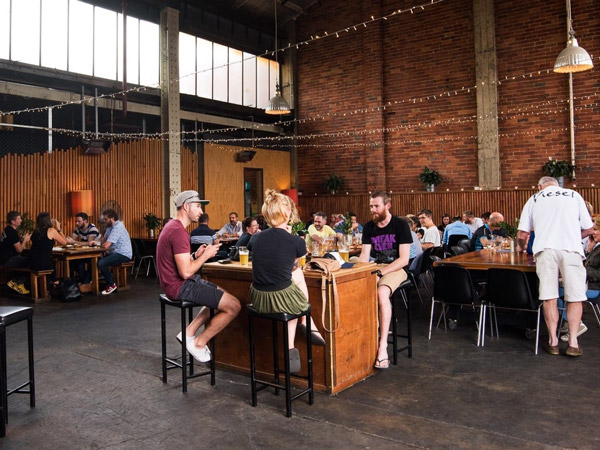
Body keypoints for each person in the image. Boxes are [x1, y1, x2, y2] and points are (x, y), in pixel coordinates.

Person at [157, 190, 240, 363]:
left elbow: (181, 263)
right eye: (197, 206)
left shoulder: (172, 226)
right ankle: (199, 343)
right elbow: (186, 272)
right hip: (180, 287)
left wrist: (195, 255)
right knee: (234, 306)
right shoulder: (179, 232)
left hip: (177, 284)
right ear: (186, 206)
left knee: (219, 295)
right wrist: (206, 255)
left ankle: (188, 333)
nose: (201, 212)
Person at [248, 190, 325, 373]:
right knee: (296, 286)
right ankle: (301, 329)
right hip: (281, 299)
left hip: (257, 299)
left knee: (293, 279)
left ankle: (301, 332)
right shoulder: (295, 242)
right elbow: (294, 262)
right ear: (287, 213)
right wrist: (288, 235)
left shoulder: (255, 238)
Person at [517, 176, 593, 357]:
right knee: (575, 296)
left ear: (539, 186)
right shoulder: (574, 195)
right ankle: (573, 342)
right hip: (571, 249)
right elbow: (589, 229)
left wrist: (522, 247)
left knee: (549, 296)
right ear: (558, 184)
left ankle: (553, 342)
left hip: (545, 250)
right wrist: (574, 236)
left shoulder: (534, 198)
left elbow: (522, 233)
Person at [359, 191, 412, 369]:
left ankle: (382, 348)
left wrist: (381, 274)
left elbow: (404, 259)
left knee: (382, 293)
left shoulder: (400, 225)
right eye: (371, 207)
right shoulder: (368, 227)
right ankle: (365, 339)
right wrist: (360, 275)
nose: (373, 210)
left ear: (387, 206)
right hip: (377, 266)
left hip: (397, 268)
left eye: (376, 206)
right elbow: (364, 257)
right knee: (357, 289)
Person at [98, 209, 132, 295]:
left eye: (106, 219)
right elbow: (103, 240)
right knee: (94, 260)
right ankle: (90, 282)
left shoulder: (118, 227)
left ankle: (111, 284)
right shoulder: (110, 227)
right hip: (114, 252)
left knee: (102, 263)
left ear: (112, 218)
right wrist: (95, 243)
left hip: (123, 254)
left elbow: (106, 245)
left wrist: (100, 245)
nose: (104, 221)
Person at [26, 213, 67, 281]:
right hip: (42, 263)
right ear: (47, 221)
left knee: (50, 261)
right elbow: (64, 242)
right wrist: (59, 228)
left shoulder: (36, 231)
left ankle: (52, 283)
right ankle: (54, 282)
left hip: (31, 261)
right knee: (51, 262)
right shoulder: (51, 230)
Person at [0, 211, 32, 294]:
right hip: (9, 260)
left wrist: (21, 240)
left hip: (4, 259)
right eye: (19, 219)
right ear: (13, 222)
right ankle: (16, 282)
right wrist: (25, 240)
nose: (21, 220)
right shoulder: (12, 232)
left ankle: (16, 282)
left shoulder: (7, 229)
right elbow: (19, 250)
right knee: (33, 263)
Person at [67, 212, 101, 284]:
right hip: (85, 253)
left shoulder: (92, 229)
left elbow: (90, 243)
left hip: (96, 254)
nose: (77, 223)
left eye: (79, 221)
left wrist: (73, 242)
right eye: (76, 221)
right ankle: (81, 280)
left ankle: (85, 281)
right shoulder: (78, 229)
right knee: (72, 261)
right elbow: (71, 240)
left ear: (85, 221)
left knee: (79, 261)